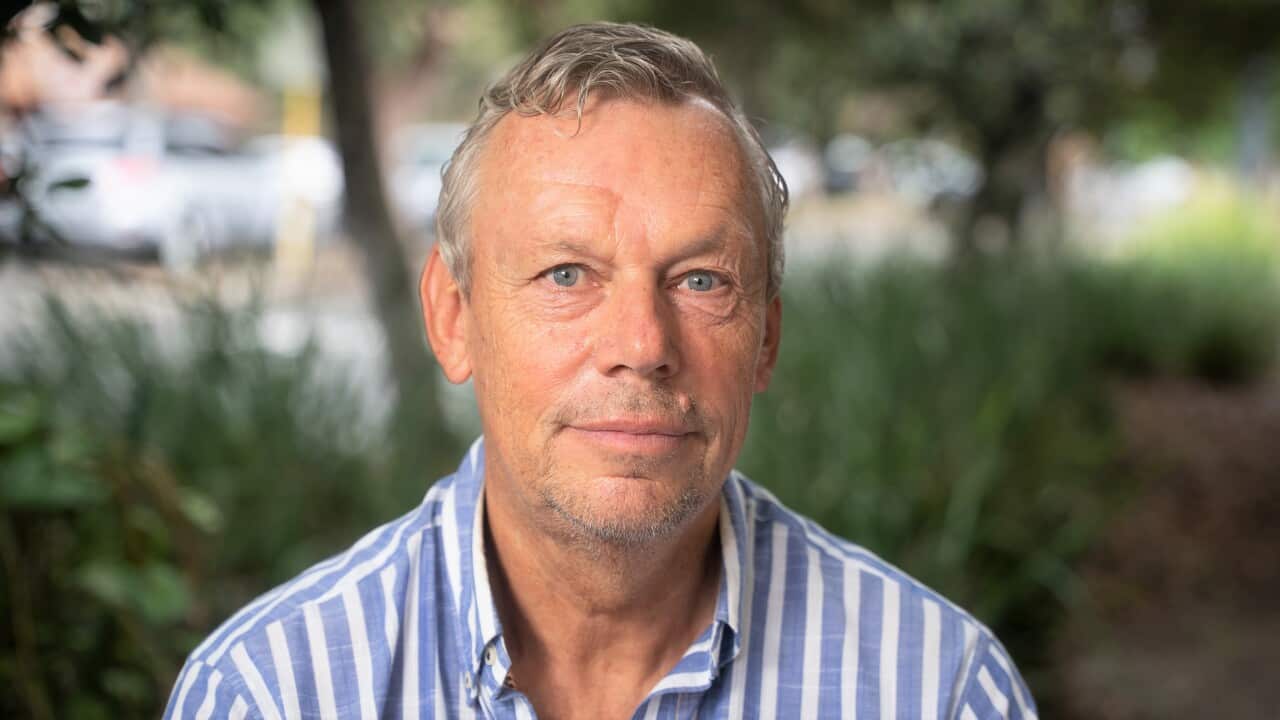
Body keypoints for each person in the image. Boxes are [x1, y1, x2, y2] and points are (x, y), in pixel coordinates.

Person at [163, 22, 1037, 720]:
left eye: (701, 280)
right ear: (453, 317)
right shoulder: (271, 694)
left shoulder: (940, 689)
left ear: (765, 338)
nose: (642, 342)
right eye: (566, 275)